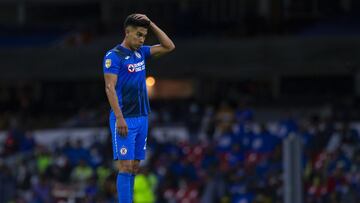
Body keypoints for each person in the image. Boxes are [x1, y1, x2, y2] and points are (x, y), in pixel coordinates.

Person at [103, 13, 175, 203]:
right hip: (124, 117)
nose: (142, 39)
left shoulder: (141, 52)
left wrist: (151, 23)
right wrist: (119, 117)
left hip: (142, 117)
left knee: (134, 167)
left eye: (144, 35)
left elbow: (169, 46)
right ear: (127, 33)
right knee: (125, 166)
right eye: (138, 35)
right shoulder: (113, 56)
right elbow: (109, 87)